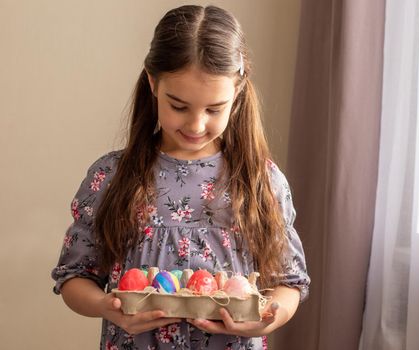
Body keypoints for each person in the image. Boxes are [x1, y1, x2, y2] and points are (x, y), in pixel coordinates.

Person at [51, 4, 310, 350]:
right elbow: (74, 277)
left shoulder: (261, 182)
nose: (195, 124)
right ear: (152, 82)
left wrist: (265, 320)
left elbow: (290, 283)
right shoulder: (110, 177)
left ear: (239, 92)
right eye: (179, 105)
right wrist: (108, 308)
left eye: (214, 109)